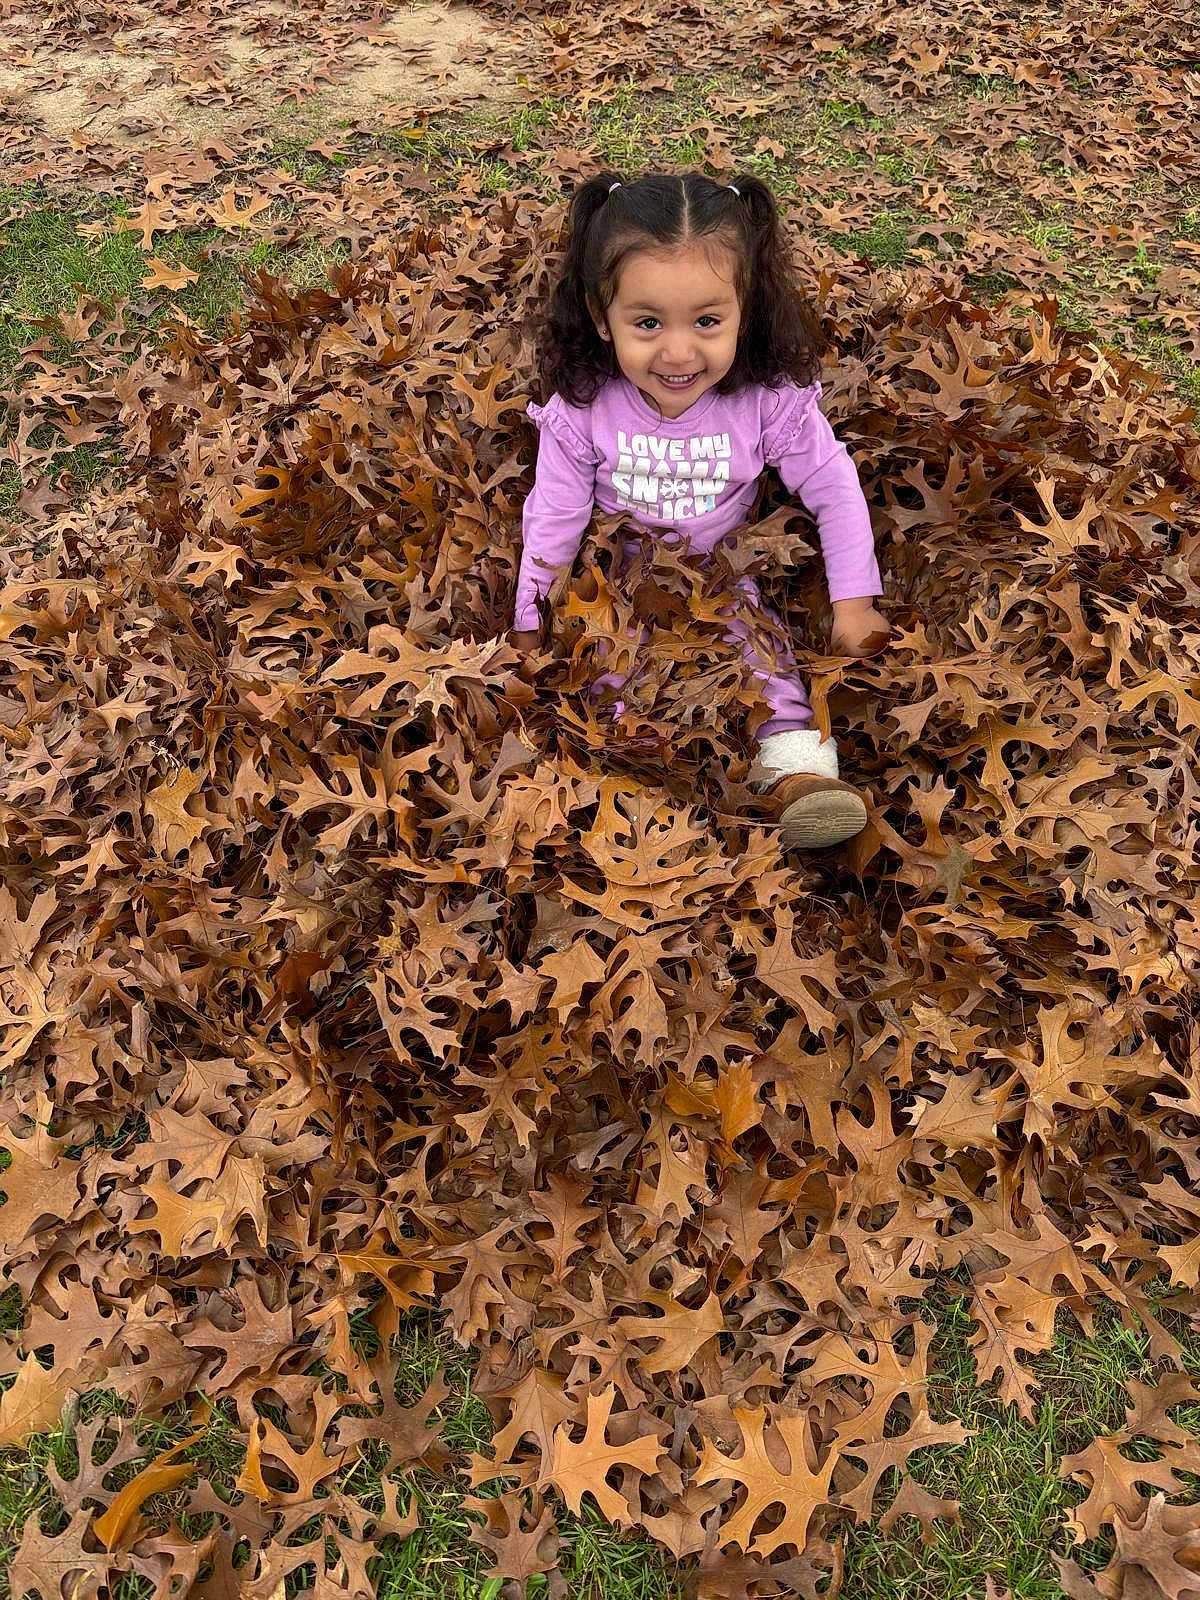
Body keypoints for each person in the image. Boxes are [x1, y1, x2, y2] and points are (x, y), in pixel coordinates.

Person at [509, 170, 892, 851]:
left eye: (708, 322)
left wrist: (854, 603)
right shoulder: (585, 409)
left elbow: (833, 488)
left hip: (723, 569)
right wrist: (530, 623)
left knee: (764, 657)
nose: (679, 353)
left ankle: (795, 776)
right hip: (617, 578)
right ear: (601, 318)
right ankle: (638, 794)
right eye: (647, 323)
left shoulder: (765, 401)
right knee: (610, 671)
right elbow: (554, 519)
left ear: (747, 310)